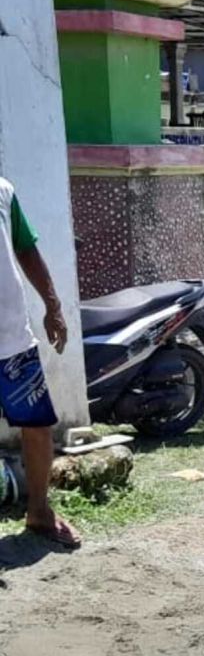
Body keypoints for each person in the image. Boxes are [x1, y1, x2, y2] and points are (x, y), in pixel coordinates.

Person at [0, 177, 78, 548]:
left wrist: (53, 306)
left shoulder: (3, 191)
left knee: (38, 426)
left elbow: (26, 250)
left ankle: (39, 512)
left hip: (14, 339)